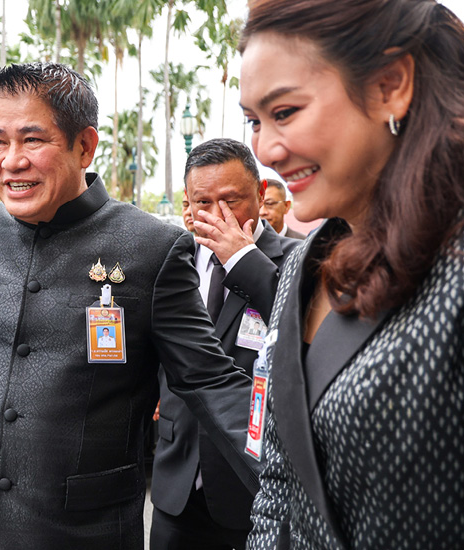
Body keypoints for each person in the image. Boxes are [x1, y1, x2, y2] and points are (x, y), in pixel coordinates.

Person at [0, 63, 256, 550]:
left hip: (84, 530)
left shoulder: (153, 248)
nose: (12, 161)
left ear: (85, 145)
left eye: (32, 139)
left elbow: (209, 380)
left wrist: (299, 470)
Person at [238, 0, 464, 548]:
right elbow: (279, 482)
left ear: (390, 85)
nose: (266, 150)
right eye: (253, 121)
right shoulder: (305, 264)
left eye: (285, 112)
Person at [150, 138, 300, 550]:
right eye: (203, 202)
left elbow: (301, 335)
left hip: (252, 486)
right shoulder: (170, 260)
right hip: (175, 484)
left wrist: (243, 260)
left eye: (232, 200)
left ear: (261, 194)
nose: (218, 215)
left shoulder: (295, 261)